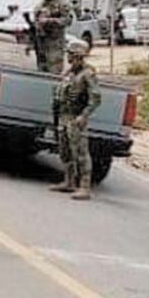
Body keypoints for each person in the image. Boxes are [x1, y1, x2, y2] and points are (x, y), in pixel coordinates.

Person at [51, 40, 100, 200]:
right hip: (64, 116)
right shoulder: (69, 73)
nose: (68, 58)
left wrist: (84, 115)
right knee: (65, 150)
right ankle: (69, 181)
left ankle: (84, 186)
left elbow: (95, 98)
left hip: (76, 117)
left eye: (71, 55)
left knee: (80, 152)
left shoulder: (87, 75)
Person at [33, 0, 72, 74]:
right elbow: (36, 21)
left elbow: (67, 20)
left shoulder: (62, 4)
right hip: (41, 43)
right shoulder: (40, 5)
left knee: (54, 70)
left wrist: (50, 21)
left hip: (55, 43)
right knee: (42, 70)